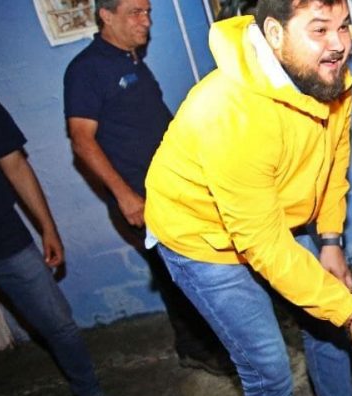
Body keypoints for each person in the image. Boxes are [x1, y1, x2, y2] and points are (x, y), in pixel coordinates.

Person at [142, 1, 352, 396]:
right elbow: (263, 244)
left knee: (326, 318)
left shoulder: (327, 78)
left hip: (267, 217)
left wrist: (330, 240)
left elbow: (334, 162)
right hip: (200, 237)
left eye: (344, 27)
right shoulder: (229, 112)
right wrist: (349, 312)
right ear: (274, 33)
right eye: (319, 30)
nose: (338, 44)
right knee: (268, 367)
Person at [63, 0, 234, 376]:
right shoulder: (86, 69)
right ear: (106, 16)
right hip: (141, 198)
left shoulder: (132, 61)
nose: (146, 21)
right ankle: (196, 348)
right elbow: (81, 139)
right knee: (178, 275)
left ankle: (217, 338)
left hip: (174, 187)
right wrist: (125, 196)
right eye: (135, 13)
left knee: (198, 266)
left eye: (148, 12)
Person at [0, 87, 120, 396]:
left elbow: (16, 165)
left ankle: (88, 390)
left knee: (59, 324)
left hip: (6, 242)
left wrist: (48, 228)